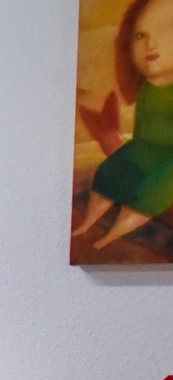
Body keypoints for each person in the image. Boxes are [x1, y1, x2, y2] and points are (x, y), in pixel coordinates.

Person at [73, 0, 173, 250]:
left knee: (149, 189)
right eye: (141, 35)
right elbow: (143, 128)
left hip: (169, 156)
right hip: (143, 146)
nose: (150, 45)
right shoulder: (149, 87)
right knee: (108, 172)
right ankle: (87, 224)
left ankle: (111, 235)